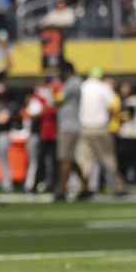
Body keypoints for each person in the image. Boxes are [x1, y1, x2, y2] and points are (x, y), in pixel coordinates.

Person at [75, 67, 127, 195]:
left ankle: (82, 186)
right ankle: (118, 186)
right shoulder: (104, 87)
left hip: (84, 127)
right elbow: (111, 107)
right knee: (109, 159)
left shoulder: (82, 87)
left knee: (84, 160)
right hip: (100, 127)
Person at [52, 61, 90, 201]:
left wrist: (54, 88)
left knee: (65, 159)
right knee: (71, 159)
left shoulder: (72, 83)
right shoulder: (75, 83)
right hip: (70, 125)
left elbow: (57, 99)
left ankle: (62, 189)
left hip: (68, 126)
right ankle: (86, 186)